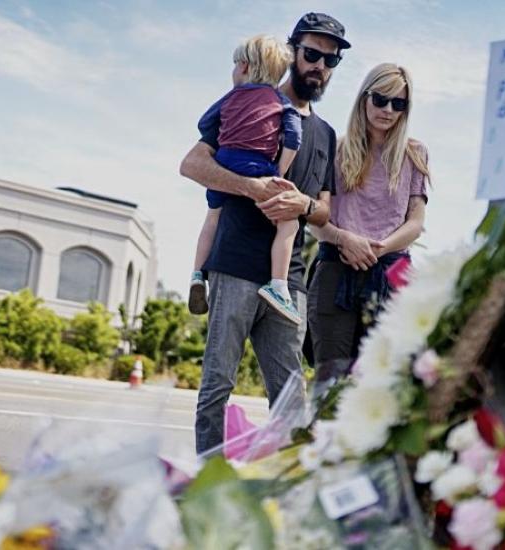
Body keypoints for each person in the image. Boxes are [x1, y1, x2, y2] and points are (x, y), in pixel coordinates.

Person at [180, 12, 351, 455]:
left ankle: (284, 486)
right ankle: (208, 477)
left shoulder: (327, 135)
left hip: (288, 283)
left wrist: (303, 206)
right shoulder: (247, 101)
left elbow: (325, 210)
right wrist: (251, 187)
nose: (320, 66)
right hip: (234, 264)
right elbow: (192, 164)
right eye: (312, 54)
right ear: (292, 53)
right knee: (216, 385)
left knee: (291, 401)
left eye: (330, 60)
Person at [308, 63, 430, 366]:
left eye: (398, 103)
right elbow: (316, 219)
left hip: (392, 271)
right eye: (380, 99)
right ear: (365, 97)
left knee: (383, 378)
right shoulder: (335, 149)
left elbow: (416, 223)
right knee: (330, 379)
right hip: (336, 268)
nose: (388, 110)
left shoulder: (415, 154)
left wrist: (378, 248)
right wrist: (345, 240)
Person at [189, 34, 303, 324]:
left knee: (212, 218)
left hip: (224, 160)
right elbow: (294, 137)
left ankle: (197, 275)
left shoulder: (229, 97)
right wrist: (278, 171)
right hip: (258, 166)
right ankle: (279, 287)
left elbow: (204, 122)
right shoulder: (280, 102)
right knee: (289, 222)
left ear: (243, 66)